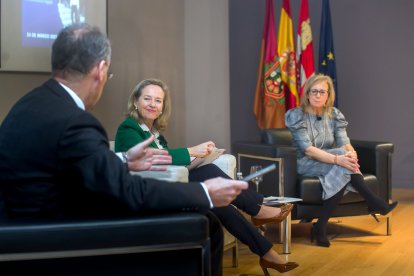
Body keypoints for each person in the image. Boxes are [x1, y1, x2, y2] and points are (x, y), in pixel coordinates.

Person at [0, 24, 248, 276]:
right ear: (100, 69)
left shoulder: (29, 104)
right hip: (62, 233)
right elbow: (128, 191)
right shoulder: (75, 121)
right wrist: (204, 193)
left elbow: (65, 165)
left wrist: (122, 160)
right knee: (209, 224)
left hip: (22, 227)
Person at [115, 78, 299, 274]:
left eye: (158, 100)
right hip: (148, 194)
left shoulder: (157, 135)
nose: (152, 104)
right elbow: (153, 160)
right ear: (135, 101)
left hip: (165, 187)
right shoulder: (128, 128)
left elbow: (169, 166)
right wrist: (192, 150)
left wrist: (198, 159)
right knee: (209, 173)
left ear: (162, 107)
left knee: (219, 203)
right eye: (147, 98)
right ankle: (258, 208)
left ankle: (266, 252)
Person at [285, 74, 398, 248]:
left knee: (344, 162)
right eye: (314, 91)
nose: (317, 95)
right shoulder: (296, 115)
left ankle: (320, 226)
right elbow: (308, 149)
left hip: (331, 162)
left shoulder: (334, 114)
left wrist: (351, 154)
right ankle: (374, 202)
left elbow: (344, 141)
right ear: (307, 94)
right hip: (306, 163)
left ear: (328, 95)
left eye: (322, 92)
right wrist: (339, 158)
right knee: (341, 161)